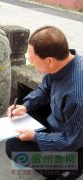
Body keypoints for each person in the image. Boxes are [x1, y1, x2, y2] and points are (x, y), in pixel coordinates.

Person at [6, 26, 83, 179]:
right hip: (62, 123)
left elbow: (71, 141)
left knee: (14, 147)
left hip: (75, 148)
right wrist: (25, 107)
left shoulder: (76, 96)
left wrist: (35, 136)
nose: (31, 63)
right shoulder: (63, 63)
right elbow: (44, 89)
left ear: (49, 61)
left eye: (32, 60)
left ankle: (67, 171)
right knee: (19, 125)